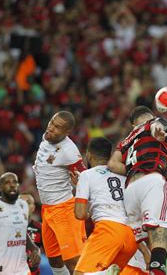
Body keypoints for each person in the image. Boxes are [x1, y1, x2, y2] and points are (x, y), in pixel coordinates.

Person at [108, 106, 167, 275]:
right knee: (160, 232)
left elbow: (112, 165)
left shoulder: (125, 141)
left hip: (130, 190)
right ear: (149, 117)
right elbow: (159, 126)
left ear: (132, 124)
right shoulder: (152, 124)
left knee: (137, 238)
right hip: (151, 179)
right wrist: (158, 128)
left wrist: (133, 167)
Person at [33, 111, 87, 274]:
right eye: (51, 123)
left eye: (57, 127)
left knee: (73, 262)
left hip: (64, 210)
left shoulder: (69, 151)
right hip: (48, 209)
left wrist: (79, 184)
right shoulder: (48, 135)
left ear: (67, 132)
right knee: (54, 259)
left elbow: (85, 176)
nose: (51, 128)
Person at [74, 137, 137, 274]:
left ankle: (104, 274)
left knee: (80, 273)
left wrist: (88, 213)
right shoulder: (123, 175)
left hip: (109, 230)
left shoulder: (86, 175)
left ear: (89, 155)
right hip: (130, 236)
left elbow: (79, 213)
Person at [0, 172, 41, 274]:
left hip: (22, 269)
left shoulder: (23, 205)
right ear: (0, 187)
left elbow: (21, 233)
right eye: (7, 182)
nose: (12, 185)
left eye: (15, 182)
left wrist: (35, 249)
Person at [121, 169, 167, 275]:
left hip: (146, 264)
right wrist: (145, 253)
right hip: (132, 262)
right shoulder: (149, 200)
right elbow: (128, 226)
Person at [20, 193, 43, 275]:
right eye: (20, 203)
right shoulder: (6, 227)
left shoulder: (40, 228)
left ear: (33, 208)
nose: (24, 206)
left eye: (27, 203)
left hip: (32, 272)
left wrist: (38, 254)